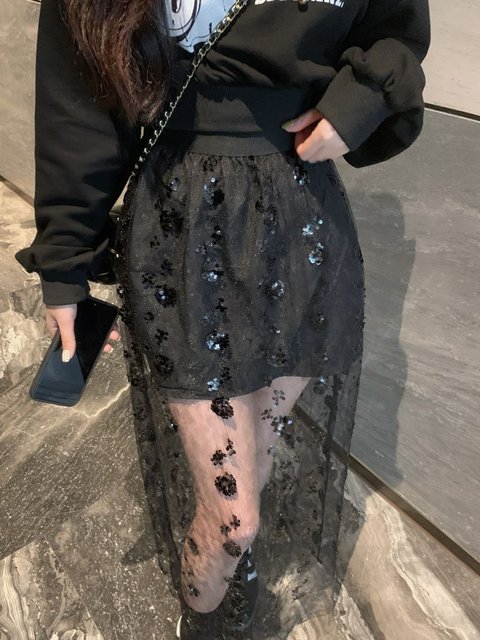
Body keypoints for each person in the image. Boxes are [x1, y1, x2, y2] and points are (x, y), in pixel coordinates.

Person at [15, 0, 431, 637]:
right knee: (235, 518)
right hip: (180, 232)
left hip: (303, 227)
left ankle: (232, 569)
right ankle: (206, 613)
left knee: (253, 464)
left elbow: (395, 30)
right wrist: (65, 259)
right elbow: (77, 93)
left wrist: (357, 104)